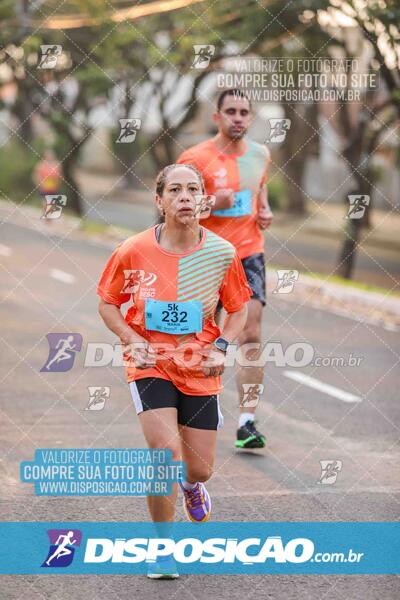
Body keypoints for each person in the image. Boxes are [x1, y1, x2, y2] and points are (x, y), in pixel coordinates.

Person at [97, 163, 251, 579]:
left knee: (198, 467)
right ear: (160, 200)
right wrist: (131, 340)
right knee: (164, 455)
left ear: (203, 200)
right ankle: (163, 549)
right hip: (151, 363)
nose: (185, 197)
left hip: (200, 366)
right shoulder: (132, 249)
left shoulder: (221, 253)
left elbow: (239, 310)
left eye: (193, 190)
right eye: (176, 190)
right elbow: (108, 303)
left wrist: (222, 346)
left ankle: (191, 485)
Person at [177, 88, 273, 450]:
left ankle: (247, 422)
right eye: (230, 111)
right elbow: (175, 204)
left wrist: (264, 210)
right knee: (196, 336)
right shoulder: (195, 158)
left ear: (251, 118)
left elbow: (259, 188)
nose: (237, 117)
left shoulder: (261, 155)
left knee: (251, 334)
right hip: (205, 256)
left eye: (244, 112)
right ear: (216, 117)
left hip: (248, 255)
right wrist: (211, 201)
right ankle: (193, 408)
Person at [33, 150, 62, 219]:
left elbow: (59, 176)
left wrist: (58, 183)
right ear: (45, 156)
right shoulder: (40, 165)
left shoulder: (57, 164)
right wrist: (40, 183)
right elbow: (36, 175)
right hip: (44, 186)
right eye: (48, 156)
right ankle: (46, 214)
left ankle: (47, 214)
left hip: (53, 187)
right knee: (44, 202)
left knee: (52, 203)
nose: (50, 157)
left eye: (51, 155)